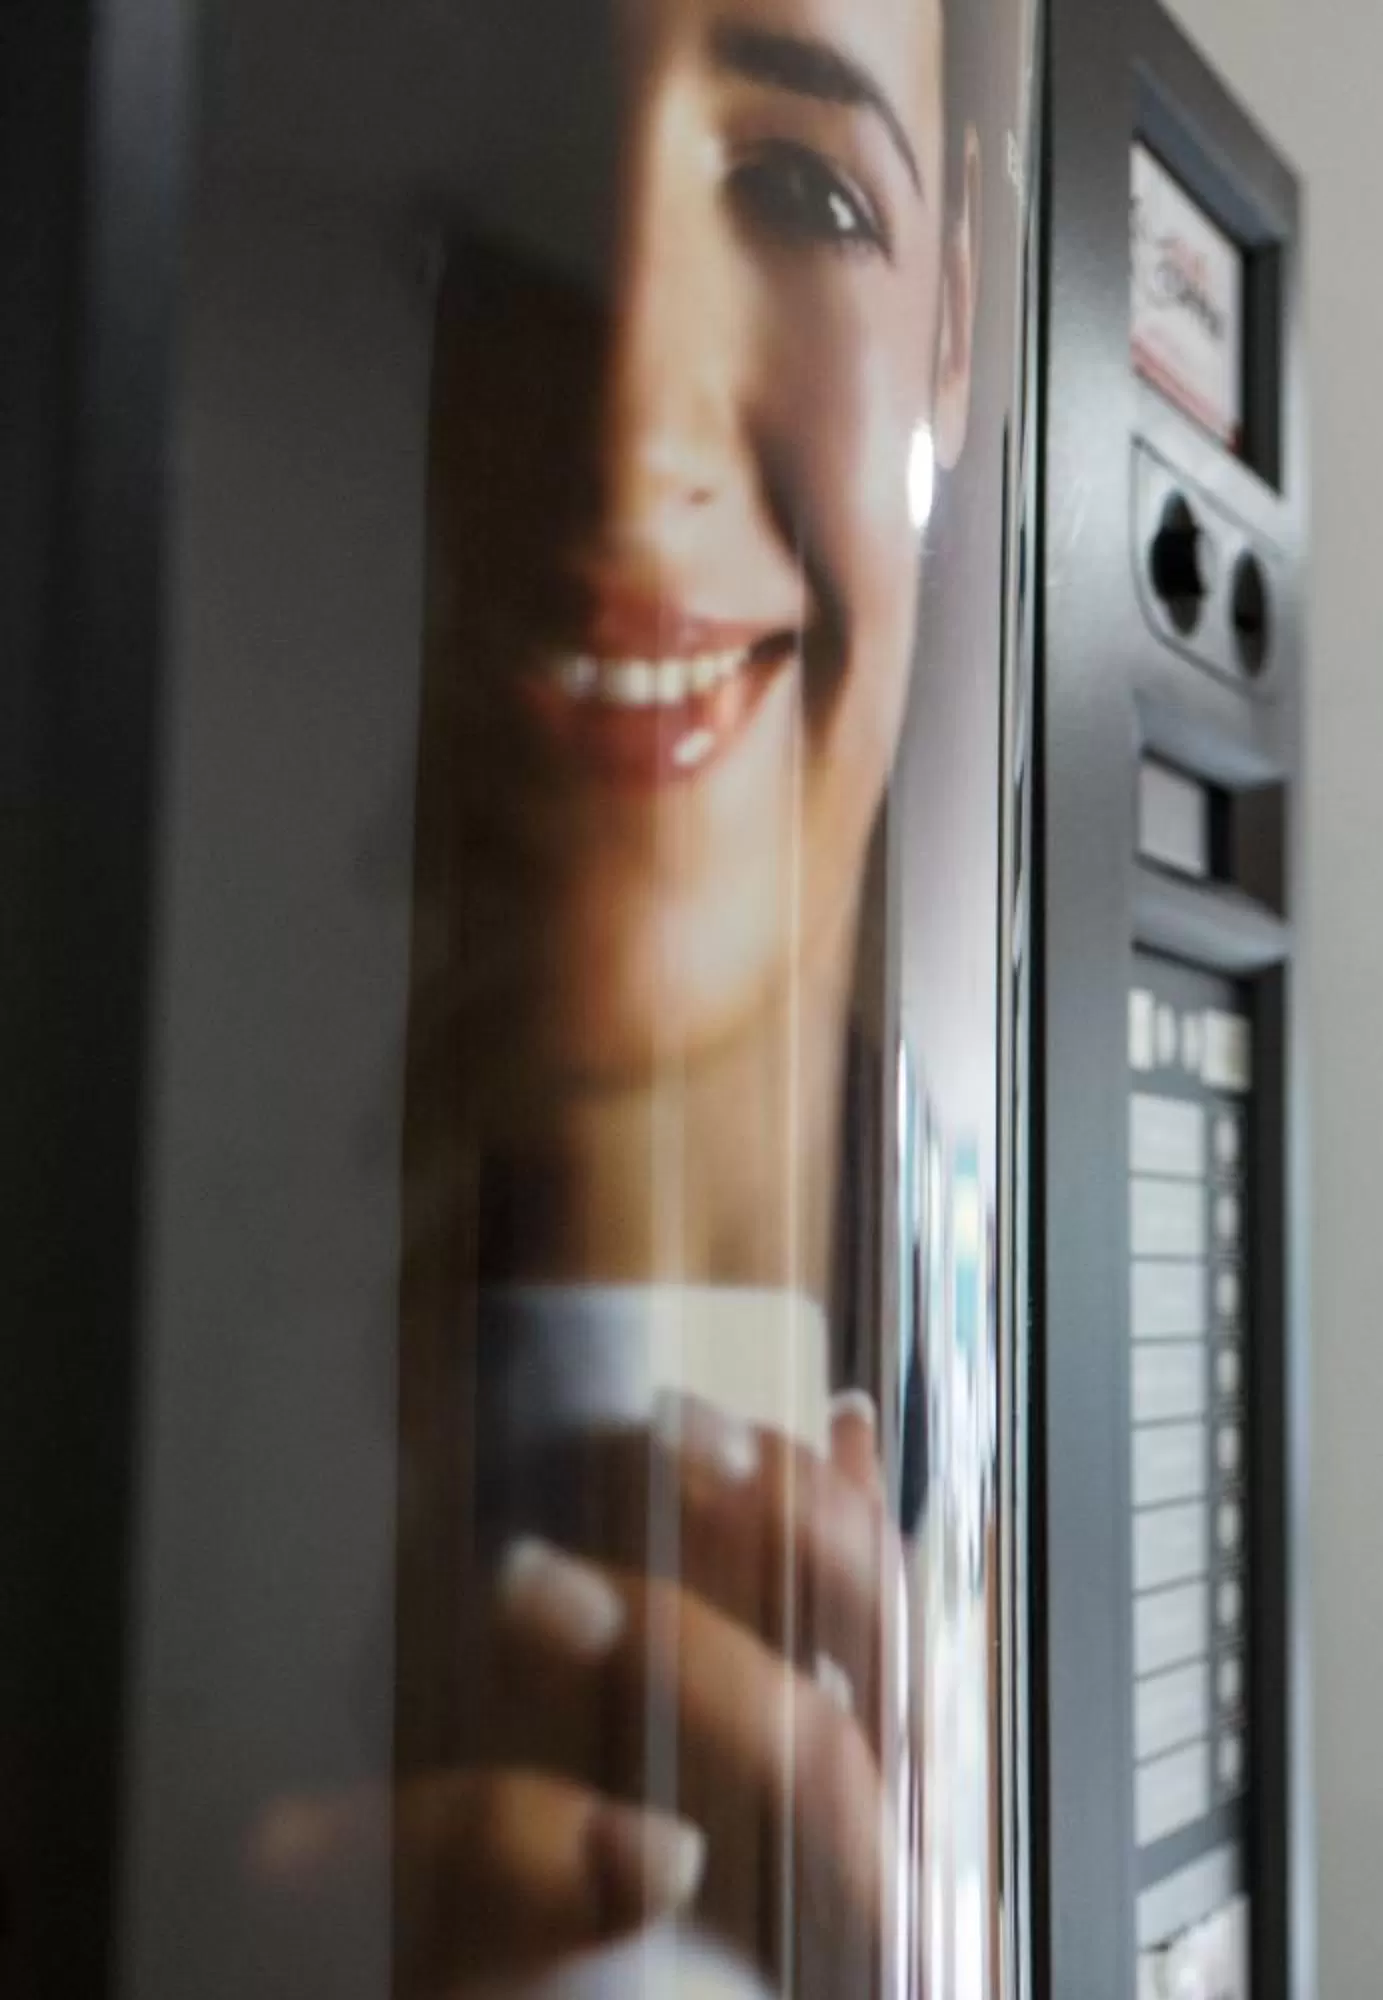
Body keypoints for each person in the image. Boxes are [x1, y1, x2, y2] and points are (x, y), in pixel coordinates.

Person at [248, 0, 996, 1989]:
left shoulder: (1000, 1349)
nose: (630, 415)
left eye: (794, 187)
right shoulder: (182, 1267)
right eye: (515, 203)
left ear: (961, 324)